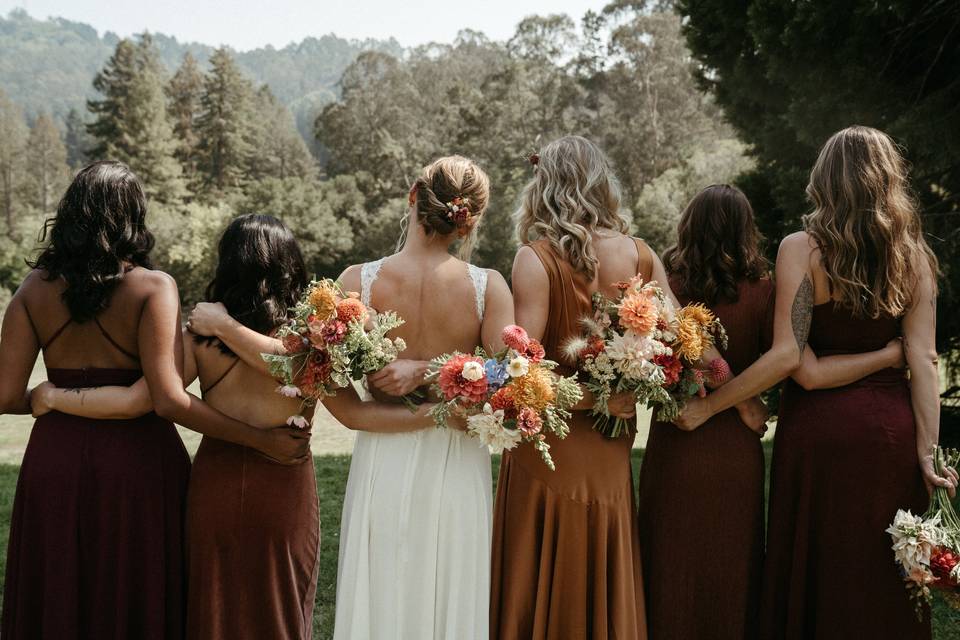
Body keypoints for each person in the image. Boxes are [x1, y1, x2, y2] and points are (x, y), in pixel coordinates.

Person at [191, 155, 514, 639]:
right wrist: (442, 405)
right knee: (452, 588)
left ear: (412, 196)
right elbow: (510, 387)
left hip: (384, 455)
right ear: (471, 218)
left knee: (381, 593)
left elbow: (345, 408)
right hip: (456, 457)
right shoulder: (489, 288)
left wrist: (420, 372)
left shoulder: (354, 283)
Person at [0, 163, 307, 639]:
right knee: (136, 598)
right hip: (137, 465)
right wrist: (259, 438)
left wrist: (51, 397)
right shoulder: (153, 287)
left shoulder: (31, 291)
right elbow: (167, 399)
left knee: (59, 590)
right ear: (132, 216)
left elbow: (4, 395)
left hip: (53, 460)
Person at [676, 126, 959, 638]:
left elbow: (799, 367)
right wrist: (927, 452)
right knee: (882, 577)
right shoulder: (915, 258)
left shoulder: (802, 249)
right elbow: (925, 359)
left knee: (818, 571)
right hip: (889, 435)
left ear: (824, 178)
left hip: (817, 436)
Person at [637, 184, 906, 639]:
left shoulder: (667, 292)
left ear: (687, 227)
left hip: (675, 442)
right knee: (734, 564)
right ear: (747, 231)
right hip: (736, 453)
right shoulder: (765, 293)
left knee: (666, 559)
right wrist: (749, 402)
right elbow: (785, 361)